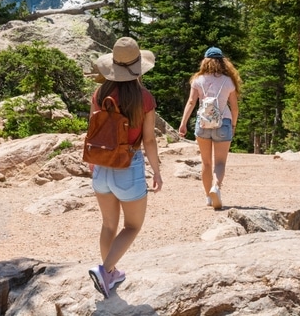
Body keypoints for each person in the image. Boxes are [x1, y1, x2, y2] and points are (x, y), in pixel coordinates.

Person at [87, 36, 162, 298]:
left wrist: (93, 164)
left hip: (101, 167)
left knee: (109, 225)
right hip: (128, 166)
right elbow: (149, 139)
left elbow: (92, 131)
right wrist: (157, 171)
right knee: (132, 226)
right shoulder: (144, 98)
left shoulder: (99, 93)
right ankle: (105, 271)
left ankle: (111, 275)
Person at [177, 46, 241, 210]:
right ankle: (216, 187)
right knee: (220, 163)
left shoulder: (197, 80)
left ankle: (208, 197)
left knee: (206, 162)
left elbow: (191, 102)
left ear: (205, 61)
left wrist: (183, 123)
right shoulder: (229, 81)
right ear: (222, 62)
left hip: (203, 123)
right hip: (223, 123)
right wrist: (233, 125)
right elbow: (234, 108)